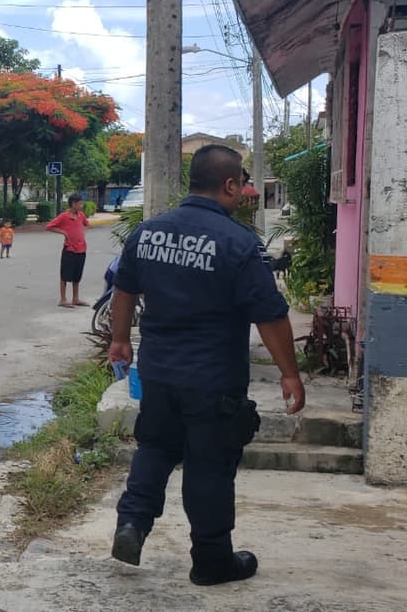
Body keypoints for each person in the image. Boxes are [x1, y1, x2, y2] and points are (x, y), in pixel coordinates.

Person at [107, 144, 306, 586]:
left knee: (155, 448)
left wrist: (120, 340)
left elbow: (124, 288)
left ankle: (132, 523)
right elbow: (270, 315)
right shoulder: (238, 244)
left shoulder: (148, 232)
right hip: (213, 380)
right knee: (209, 465)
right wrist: (289, 373)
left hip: (158, 373)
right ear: (230, 185)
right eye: (242, 184)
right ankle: (212, 561)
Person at [46, 194, 90, 307]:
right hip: (69, 249)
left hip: (81, 249)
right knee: (65, 275)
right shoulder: (64, 216)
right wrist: (64, 232)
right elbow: (49, 226)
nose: (82, 205)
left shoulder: (81, 215)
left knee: (77, 275)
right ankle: (63, 299)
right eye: (80, 203)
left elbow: (87, 224)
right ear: (73, 204)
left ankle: (75, 298)